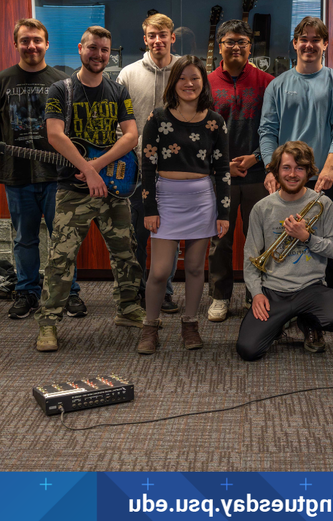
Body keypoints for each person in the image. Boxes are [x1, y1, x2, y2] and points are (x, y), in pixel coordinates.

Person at [35, 26, 143, 352]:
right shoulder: (60, 90)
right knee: (60, 259)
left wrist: (96, 167)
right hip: (73, 189)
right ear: (81, 48)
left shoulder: (118, 90)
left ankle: (128, 308)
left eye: (104, 50)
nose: (98, 55)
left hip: (112, 186)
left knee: (127, 251)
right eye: (93, 48)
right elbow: (55, 136)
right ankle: (49, 324)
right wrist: (86, 171)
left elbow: (130, 136)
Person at [0, 18, 86, 320]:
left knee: (64, 237)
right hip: (17, 176)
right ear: (15, 44)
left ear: (47, 44)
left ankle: (69, 292)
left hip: (59, 177)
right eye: (25, 40)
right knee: (24, 239)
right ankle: (27, 292)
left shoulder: (63, 81)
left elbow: (74, 127)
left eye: (37, 40)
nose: (31, 46)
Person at [258, 17, 333, 314]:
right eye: (303, 38)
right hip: (288, 178)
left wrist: (328, 168)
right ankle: (287, 302)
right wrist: (271, 169)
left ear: (325, 45)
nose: (309, 44)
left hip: (331, 176)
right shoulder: (278, 85)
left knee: (329, 243)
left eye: (316, 39)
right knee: (286, 243)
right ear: (295, 43)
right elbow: (267, 131)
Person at [137, 55, 231, 354]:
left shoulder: (215, 122)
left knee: (193, 268)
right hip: (166, 199)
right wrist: (150, 208)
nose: (189, 84)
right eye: (182, 78)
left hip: (201, 199)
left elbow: (223, 169)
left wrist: (223, 212)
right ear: (173, 82)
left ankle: (190, 324)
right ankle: (150, 326)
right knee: (160, 271)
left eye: (195, 78)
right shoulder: (158, 118)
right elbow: (147, 167)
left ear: (203, 82)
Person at [237, 141, 333, 361]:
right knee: (248, 350)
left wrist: (307, 238)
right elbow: (250, 258)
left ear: (309, 172)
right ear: (276, 171)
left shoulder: (323, 204)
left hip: (311, 288)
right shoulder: (262, 208)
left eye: (300, 168)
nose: (292, 174)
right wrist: (256, 293)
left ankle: (306, 319)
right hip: (273, 291)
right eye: (286, 167)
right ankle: (281, 320)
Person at [206, 19, 274, 322]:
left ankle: (254, 294)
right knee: (220, 238)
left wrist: (255, 158)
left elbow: (275, 129)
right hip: (221, 176)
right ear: (220, 45)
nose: (235, 47)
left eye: (241, 42)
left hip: (259, 174)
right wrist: (224, 166)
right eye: (230, 41)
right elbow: (199, 131)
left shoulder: (268, 82)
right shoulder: (206, 83)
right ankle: (219, 297)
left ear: (250, 46)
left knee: (259, 238)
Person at [118, 12, 181, 315]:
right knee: (137, 233)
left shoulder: (185, 70)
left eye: (163, 35)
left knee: (168, 235)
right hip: (136, 170)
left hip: (175, 171)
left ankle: (165, 291)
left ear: (172, 37)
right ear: (145, 39)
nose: (158, 40)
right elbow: (119, 123)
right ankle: (137, 291)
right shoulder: (127, 75)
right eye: (152, 35)